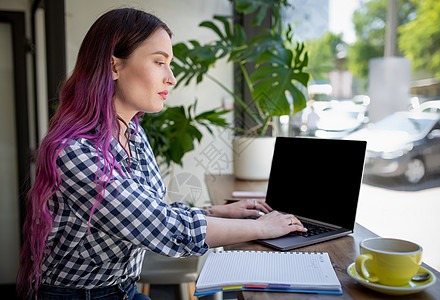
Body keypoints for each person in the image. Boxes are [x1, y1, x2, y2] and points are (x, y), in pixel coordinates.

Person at [17, 8, 306, 300]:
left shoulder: (133, 133)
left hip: (121, 289)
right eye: (159, 62)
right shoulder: (74, 151)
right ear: (113, 67)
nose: (171, 78)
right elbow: (159, 226)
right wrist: (260, 228)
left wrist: (217, 211)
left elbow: (151, 210)